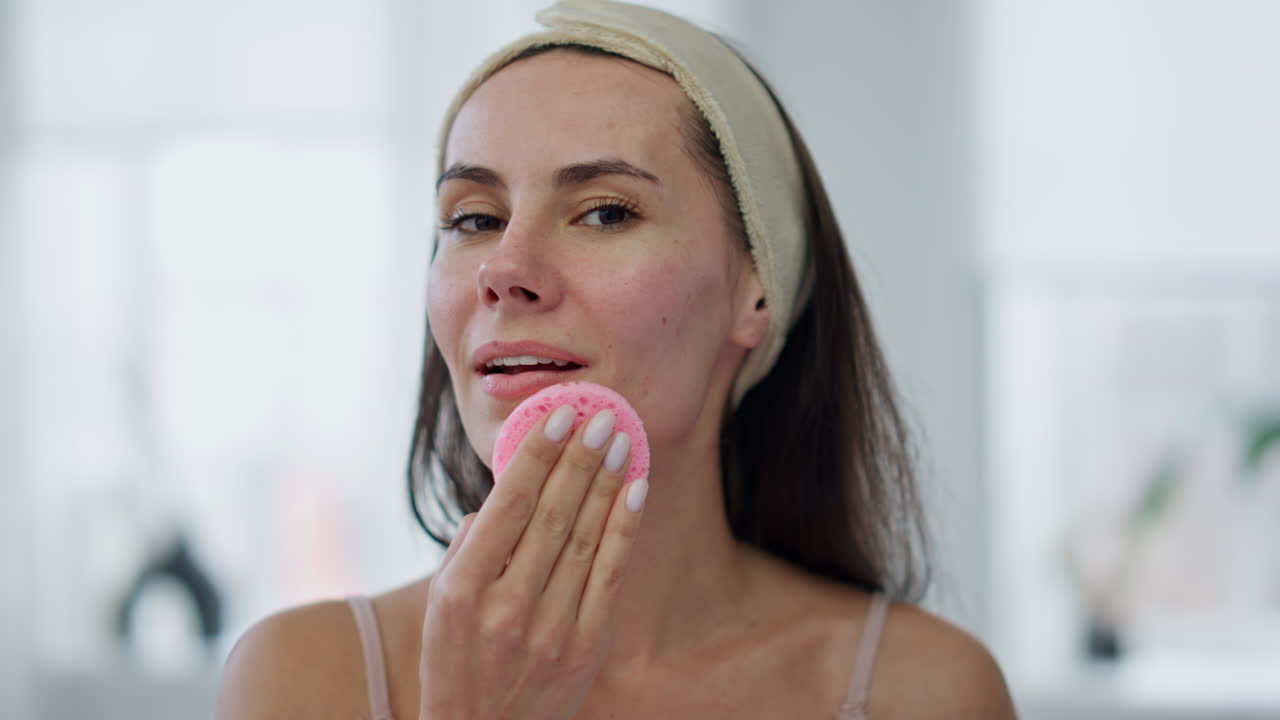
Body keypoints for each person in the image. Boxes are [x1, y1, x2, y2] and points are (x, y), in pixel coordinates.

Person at [217, 2, 1017, 718]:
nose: (504, 269)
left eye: (604, 211)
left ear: (755, 288)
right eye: (473, 218)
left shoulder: (926, 692)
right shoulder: (301, 680)